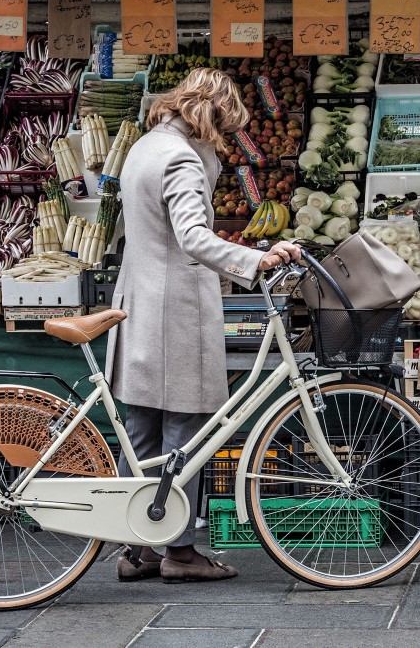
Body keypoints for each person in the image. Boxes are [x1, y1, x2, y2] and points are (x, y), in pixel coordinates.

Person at [104, 68, 301, 583]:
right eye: (223, 125)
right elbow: (192, 237)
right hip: (175, 313)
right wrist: (254, 260)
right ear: (207, 113)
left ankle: (137, 546)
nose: (223, 136)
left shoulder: (146, 146)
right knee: (184, 434)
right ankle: (180, 550)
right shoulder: (181, 160)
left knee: (142, 432)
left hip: (139, 304)